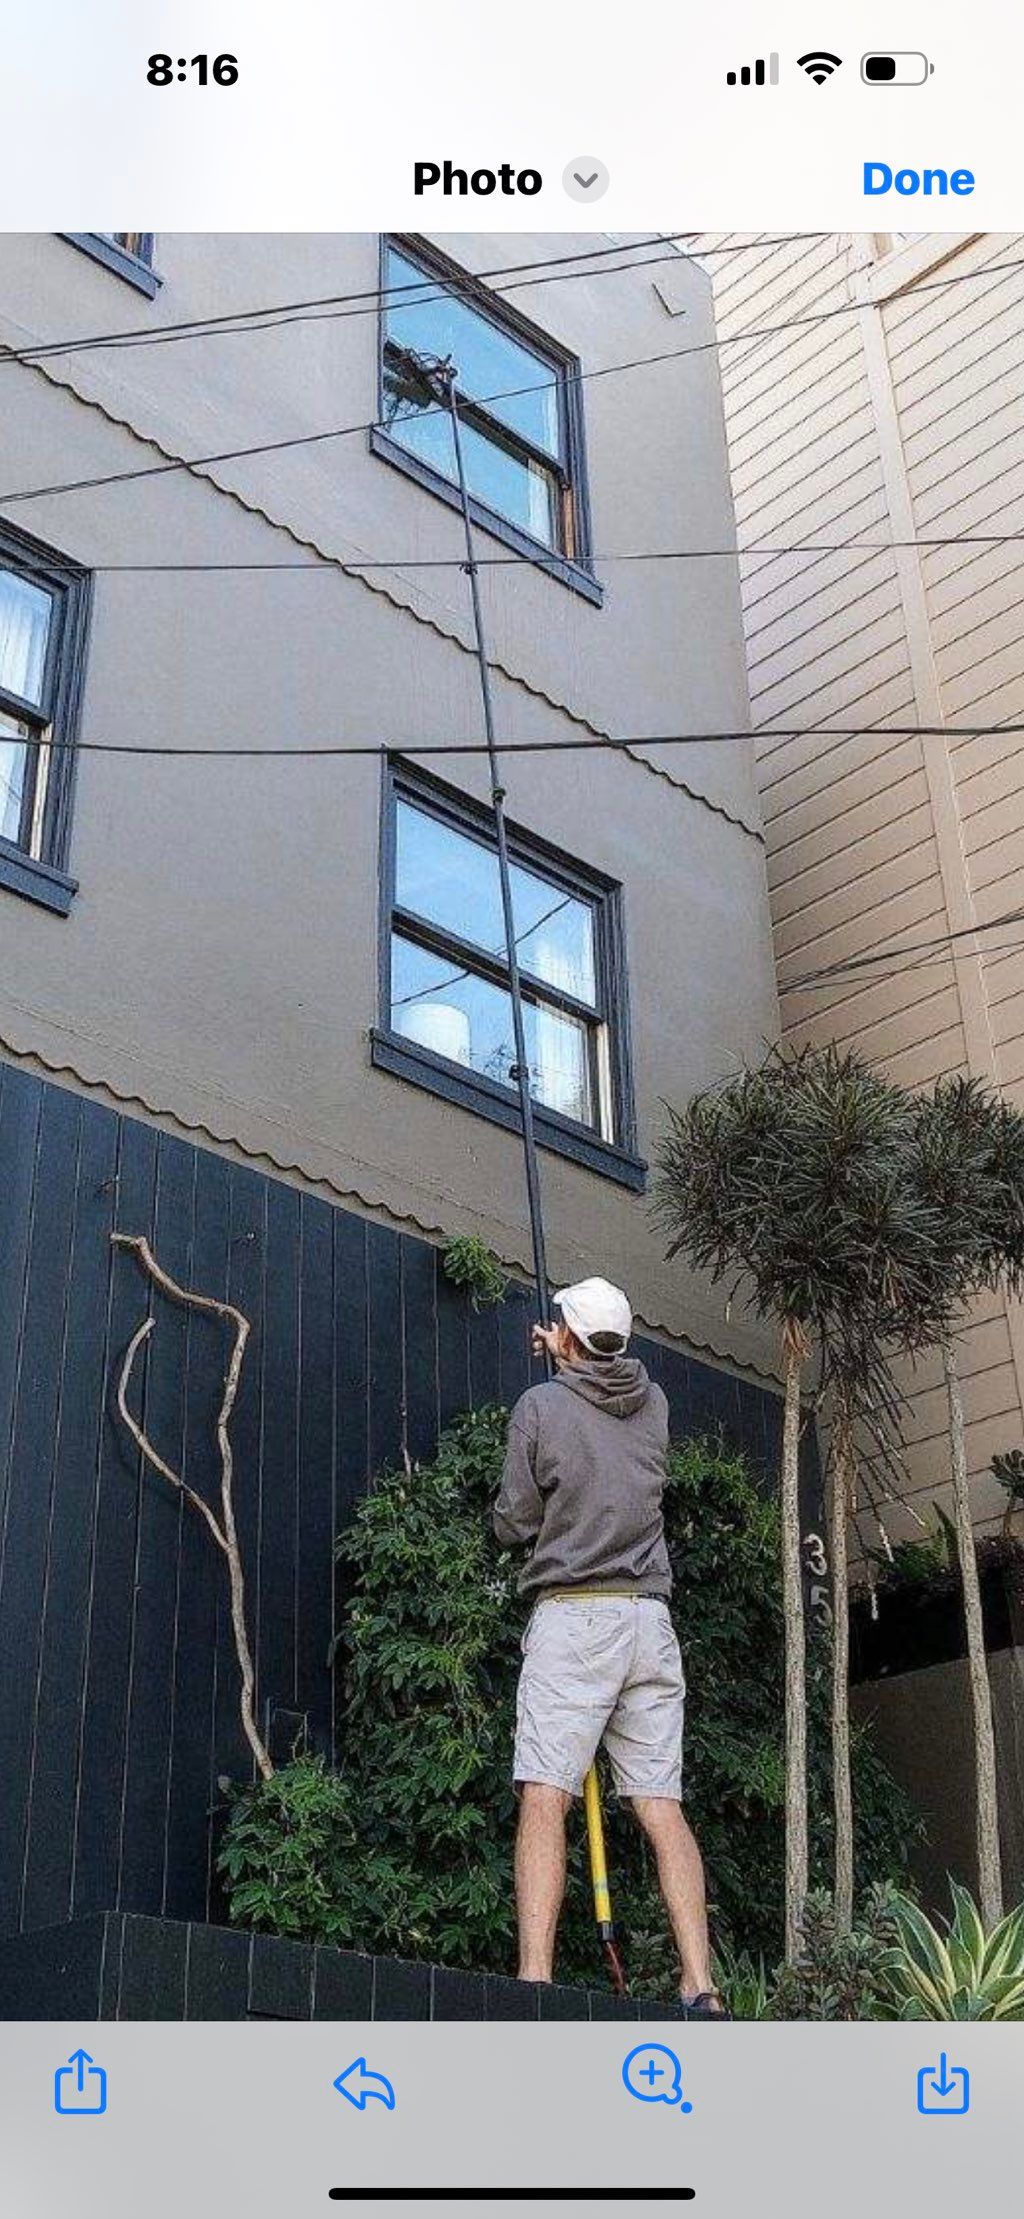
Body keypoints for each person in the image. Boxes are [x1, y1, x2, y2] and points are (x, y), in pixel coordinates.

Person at [493, 1275, 726, 2014]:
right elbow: (604, 1395)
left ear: (566, 1338)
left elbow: (515, 1517)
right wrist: (567, 1358)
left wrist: (555, 1380)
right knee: (661, 1805)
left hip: (577, 1619)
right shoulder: (653, 1404)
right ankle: (701, 1984)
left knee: (544, 1796)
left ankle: (534, 1981)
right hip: (650, 1626)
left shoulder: (540, 1405)